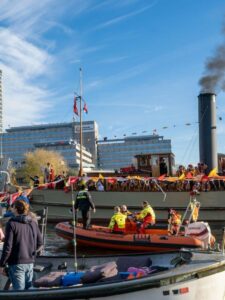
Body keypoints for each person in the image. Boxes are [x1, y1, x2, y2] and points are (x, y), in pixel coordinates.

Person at [0, 200, 43, 290]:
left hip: (16, 263)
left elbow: (8, 247)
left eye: (12, 207)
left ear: (15, 209)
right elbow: (40, 243)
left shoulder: (11, 224)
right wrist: (32, 253)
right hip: (30, 262)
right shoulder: (33, 223)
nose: (11, 209)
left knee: (19, 292)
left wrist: (2, 264)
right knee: (28, 290)